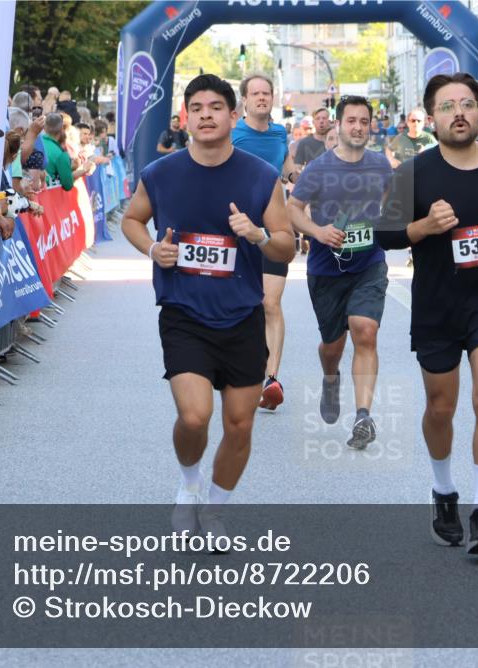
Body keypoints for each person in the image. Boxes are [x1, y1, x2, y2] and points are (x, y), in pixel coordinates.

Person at [120, 73, 295, 538]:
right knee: (195, 416)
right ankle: (188, 485)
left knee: (239, 425)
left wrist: (257, 235)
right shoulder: (161, 174)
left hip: (241, 315)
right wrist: (152, 249)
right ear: (185, 117)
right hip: (184, 313)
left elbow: (285, 245)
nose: (205, 115)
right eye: (196, 108)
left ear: (233, 116)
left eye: (215, 107)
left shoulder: (261, 177)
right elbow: (133, 220)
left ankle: (215, 510)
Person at [378, 72, 478, 558]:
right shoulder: (414, 172)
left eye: (466, 103)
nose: (458, 112)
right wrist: (423, 226)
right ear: (432, 116)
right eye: (447, 106)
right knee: (441, 408)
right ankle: (444, 491)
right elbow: (385, 234)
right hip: (436, 305)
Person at [287, 95, 391, 449]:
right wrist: (316, 232)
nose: (358, 127)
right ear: (339, 124)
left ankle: (363, 416)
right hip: (326, 269)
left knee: (365, 330)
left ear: (370, 126)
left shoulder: (381, 165)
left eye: (364, 121)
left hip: (369, 264)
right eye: (352, 121)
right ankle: (330, 378)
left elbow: (394, 204)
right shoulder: (318, 168)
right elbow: (294, 209)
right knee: (332, 346)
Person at [231, 73, 298, 411]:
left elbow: (285, 167)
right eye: (255, 93)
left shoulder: (279, 133)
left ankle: (271, 379)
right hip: (236, 230)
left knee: (270, 303)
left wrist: (300, 177)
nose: (261, 97)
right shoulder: (231, 133)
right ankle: (244, 370)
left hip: (274, 229)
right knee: (246, 305)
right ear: (244, 99)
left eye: (266, 93)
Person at [42, 112, 90, 190]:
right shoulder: (61, 154)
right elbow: (67, 185)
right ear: (62, 129)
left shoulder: (36, 142)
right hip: (48, 197)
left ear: (45, 127)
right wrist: (83, 170)